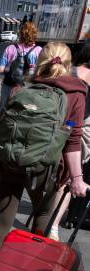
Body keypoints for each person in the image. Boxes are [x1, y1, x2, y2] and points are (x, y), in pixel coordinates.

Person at [0, 42, 89, 256]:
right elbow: (72, 138)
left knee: (2, 222)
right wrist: (77, 178)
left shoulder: (21, 87)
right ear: (68, 64)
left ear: (40, 60)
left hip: (7, 163)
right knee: (42, 219)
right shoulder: (76, 93)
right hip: (46, 170)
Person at [46, 43, 90, 239]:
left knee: (59, 176)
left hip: (59, 125)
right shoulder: (82, 76)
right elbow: (81, 111)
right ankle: (52, 225)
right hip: (78, 129)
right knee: (69, 177)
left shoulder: (69, 70)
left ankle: (48, 221)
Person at [0, 22, 42, 114]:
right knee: (23, 112)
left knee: (4, 109)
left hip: (9, 85)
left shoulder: (10, 48)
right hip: (28, 88)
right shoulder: (39, 51)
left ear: (20, 34)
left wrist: (11, 69)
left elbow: (0, 70)